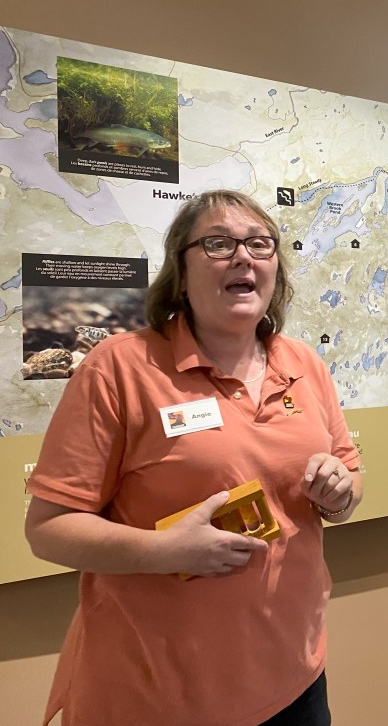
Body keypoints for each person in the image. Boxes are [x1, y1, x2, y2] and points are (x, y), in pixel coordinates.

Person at [25, 189, 361, 726]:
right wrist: (163, 552)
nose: (243, 257)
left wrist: (339, 492)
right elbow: (48, 529)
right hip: (159, 698)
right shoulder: (119, 368)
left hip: (294, 678)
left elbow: (350, 477)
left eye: (259, 244)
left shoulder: (303, 363)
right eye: (218, 244)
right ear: (180, 274)